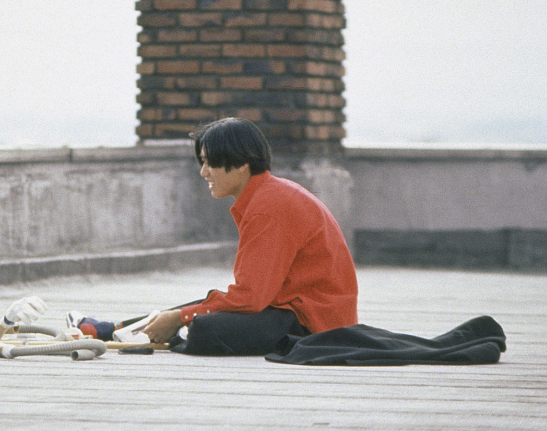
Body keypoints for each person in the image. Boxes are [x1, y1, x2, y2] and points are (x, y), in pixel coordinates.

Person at [77, 117, 358, 355]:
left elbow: (249, 299)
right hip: (292, 310)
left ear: (241, 164)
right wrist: (180, 315)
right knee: (205, 308)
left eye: (210, 163)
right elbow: (248, 296)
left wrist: (180, 317)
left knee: (203, 326)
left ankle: (137, 332)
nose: (203, 172)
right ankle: (115, 329)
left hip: (314, 324)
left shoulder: (268, 207)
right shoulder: (268, 195)